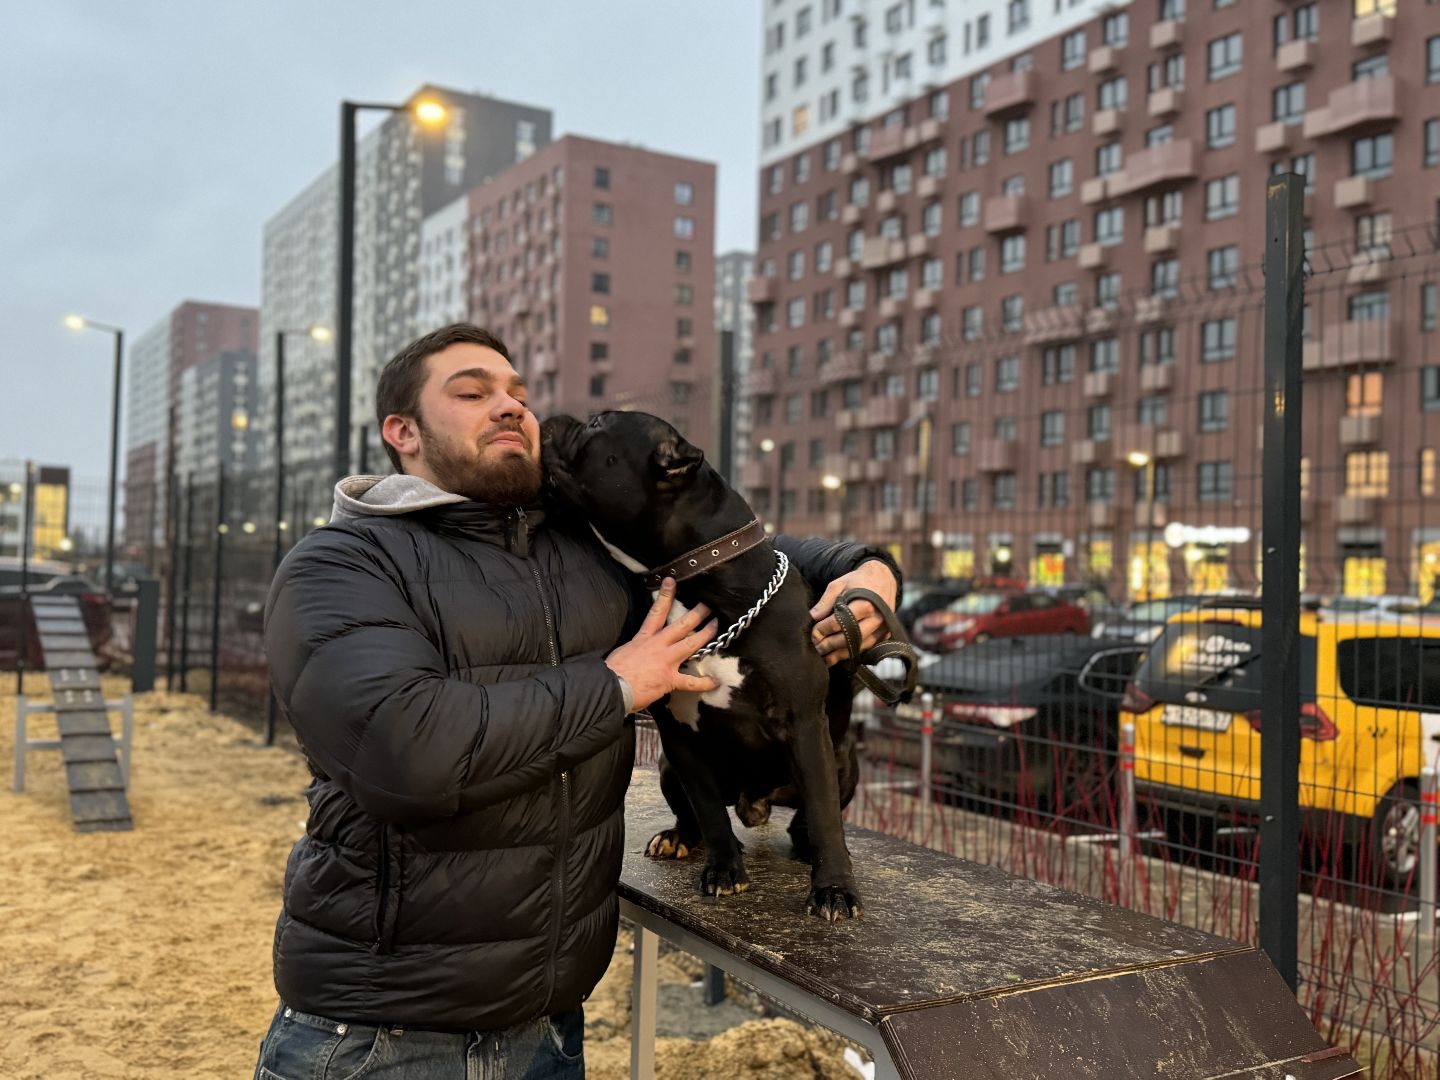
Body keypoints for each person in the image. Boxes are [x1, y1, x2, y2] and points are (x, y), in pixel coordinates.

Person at [255, 323, 900, 1079]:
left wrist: (870, 573)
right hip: (381, 1039)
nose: (510, 407)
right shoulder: (340, 564)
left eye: (517, 394)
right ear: (402, 432)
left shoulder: (580, 552)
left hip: (551, 1032)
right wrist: (621, 683)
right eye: (472, 392)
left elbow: (744, 551)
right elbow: (409, 756)